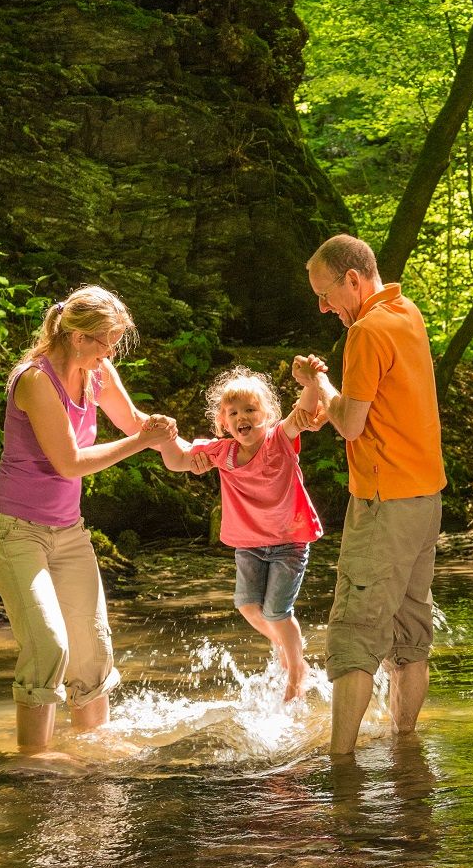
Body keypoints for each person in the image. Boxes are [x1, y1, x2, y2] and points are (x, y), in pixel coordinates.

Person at [0, 285, 175, 757]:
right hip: (15, 531)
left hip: (68, 532)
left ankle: (93, 757)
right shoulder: (35, 381)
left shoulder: (98, 372)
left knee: (91, 650)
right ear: (78, 337)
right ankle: (36, 764)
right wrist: (143, 443)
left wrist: (189, 450)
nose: (111, 352)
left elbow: (135, 423)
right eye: (107, 341)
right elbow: (69, 463)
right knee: (49, 646)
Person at [294, 234, 445, 758]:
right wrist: (332, 405)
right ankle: (406, 752)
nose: (323, 306)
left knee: (353, 635)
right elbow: (379, 407)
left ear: (353, 279)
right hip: (425, 499)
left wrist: (319, 383)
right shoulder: (407, 313)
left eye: (325, 294)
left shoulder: (366, 330)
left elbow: (352, 423)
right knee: (410, 635)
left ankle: (340, 764)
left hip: (384, 503)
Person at [160, 365, 325, 701]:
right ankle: (286, 647)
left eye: (250, 409)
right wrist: (161, 437)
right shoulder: (222, 453)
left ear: (267, 415)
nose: (241, 417)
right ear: (223, 422)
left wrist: (311, 383)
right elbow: (177, 460)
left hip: (289, 542)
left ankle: (296, 672)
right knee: (248, 607)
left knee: (277, 612)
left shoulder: (279, 440)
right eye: (233, 413)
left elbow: (303, 414)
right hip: (249, 545)